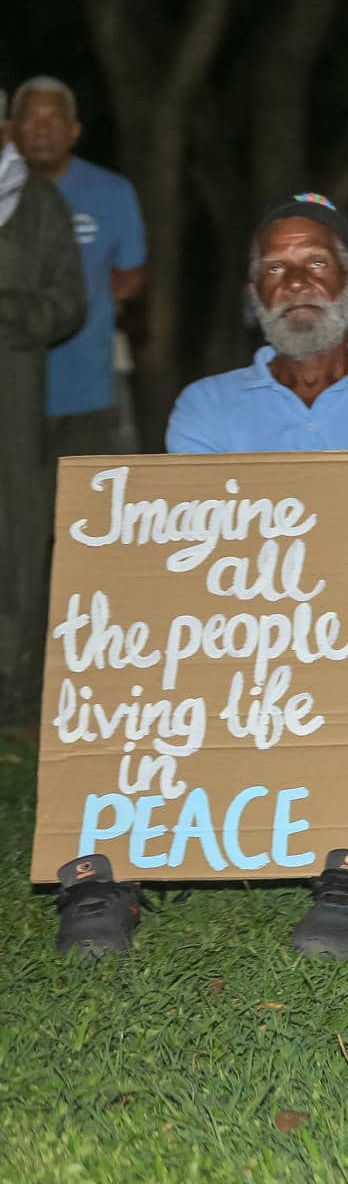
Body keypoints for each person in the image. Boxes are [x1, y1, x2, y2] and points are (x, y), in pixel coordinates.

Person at [54, 193, 348, 962]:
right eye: (274, 269)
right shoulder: (206, 407)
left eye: (315, 262)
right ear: (255, 298)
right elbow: (207, 549)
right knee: (113, 612)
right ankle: (108, 868)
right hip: (233, 636)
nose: (295, 282)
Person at [0, 94, 86, 728]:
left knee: (17, 538)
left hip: (14, 390)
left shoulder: (37, 202)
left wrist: (11, 308)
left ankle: (16, 691)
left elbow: (69, 301)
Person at [10, 76, 146, 458]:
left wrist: (83, 304)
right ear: (10, 128)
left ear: (73, 131)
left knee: (93, 502)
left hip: (88, 384)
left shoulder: (112, 192)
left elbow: (131, 277)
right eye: (31, 118)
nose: (41, 128)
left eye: (52, 119)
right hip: (11, 384)